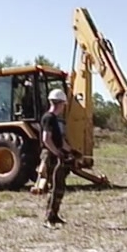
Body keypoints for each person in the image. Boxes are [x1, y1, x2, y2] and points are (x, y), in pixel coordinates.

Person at [40, 88, 75, 228]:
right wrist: (57, 153)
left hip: (56, 154)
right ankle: (49, 218)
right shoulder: (48, 118)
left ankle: (54, 215)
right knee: (54, 187)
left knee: (60, 186)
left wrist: (71, 151)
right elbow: (46, 139)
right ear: (60, 103)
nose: (63, 107)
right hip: (51, 156)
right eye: (63, 104)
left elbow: (59, 140)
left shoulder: (55, 119)